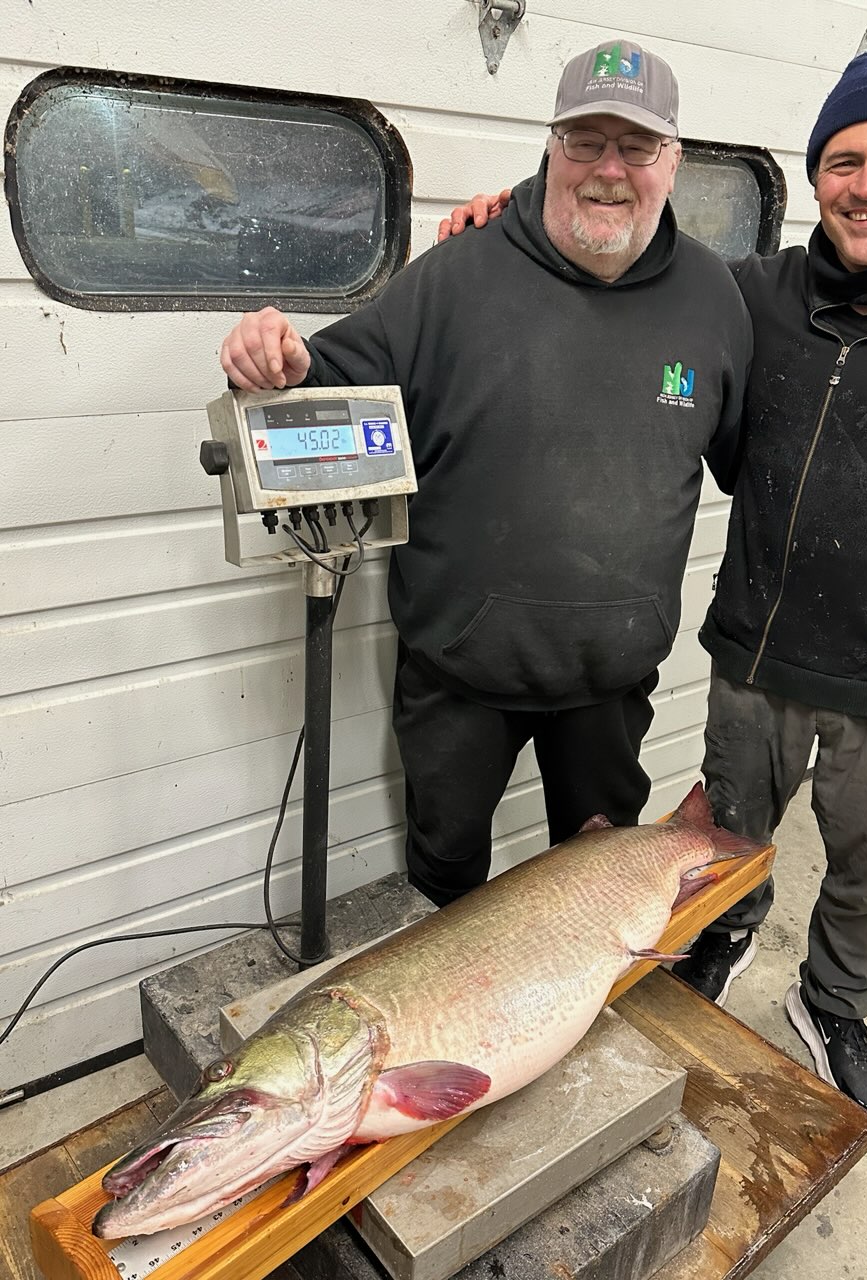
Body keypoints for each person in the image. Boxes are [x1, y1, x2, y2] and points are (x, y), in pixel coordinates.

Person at [440, 45, 867, 1116]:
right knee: (719, 839)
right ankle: (720, 941)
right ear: (815, 176)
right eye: (844, 161)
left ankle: (835, 1005)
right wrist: (508, 221)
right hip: (757, 654)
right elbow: (623, 245)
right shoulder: (750, 293)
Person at [219, 41, 752, 911]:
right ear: (551, 145)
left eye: (637, 145)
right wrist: (271, 356)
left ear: (674, 160)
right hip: (458, 677)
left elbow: (753, 463)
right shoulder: (453, 277)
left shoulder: (714, 299)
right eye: (585, 140)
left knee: (600, 899)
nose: (609, 169)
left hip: (612, 681)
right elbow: (324, 376)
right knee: (446, 889)